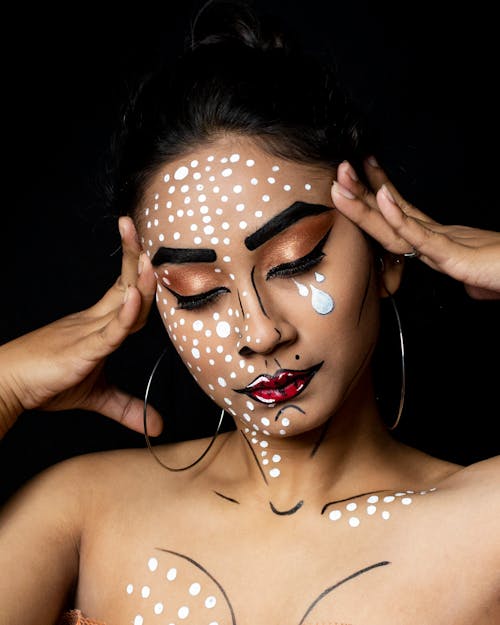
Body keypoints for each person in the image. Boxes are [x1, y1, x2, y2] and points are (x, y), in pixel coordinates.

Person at [1, 1, 499, 624]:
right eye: (199, 291)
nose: (260, 331)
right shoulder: (80, 516)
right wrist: (6, 385)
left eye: (295, 261)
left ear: (386, 253)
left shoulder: (487, 526)